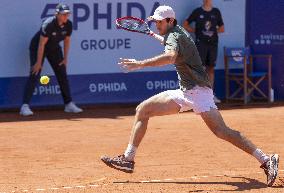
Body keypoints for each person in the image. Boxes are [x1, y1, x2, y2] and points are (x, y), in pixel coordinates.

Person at [101, 5, 279, 187]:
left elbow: (170, 56)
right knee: (143, 110)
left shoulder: (174, 36)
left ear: (170, 21)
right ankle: (128, 158)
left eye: (160, 22)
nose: (156, 25)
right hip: (188, 91)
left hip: (197, 92)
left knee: (222, 131)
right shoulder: (178, 32)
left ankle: (266, 159)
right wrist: (156, 36)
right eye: (155, 22)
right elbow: (173, 45)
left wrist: (140, 64)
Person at [20, 4, 82, 116]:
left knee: (62, 73)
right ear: (57, 14)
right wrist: (38, 63)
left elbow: (67, 41)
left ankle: (68, 104)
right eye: (63, 14)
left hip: (54, 48)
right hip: (38, 47)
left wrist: (65, 59)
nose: (66, 16)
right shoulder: (48, 24)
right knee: (35, 72)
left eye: (67, 14)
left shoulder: (68, 25)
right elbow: (41, 44)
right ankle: (24, 106)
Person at [183, 0, 224, 103]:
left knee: (210, 69)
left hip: (213, 44)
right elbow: (185, 25)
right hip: (200, 44)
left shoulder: (216, 12)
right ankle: (198, 95)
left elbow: (222, 28)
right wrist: (196, 31)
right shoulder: (197, 11)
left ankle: (210, 95)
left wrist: (212, 32)